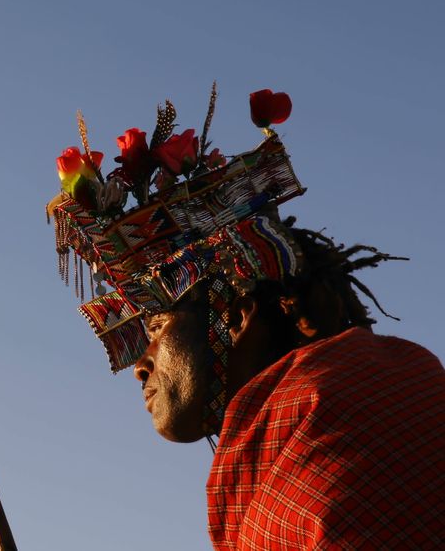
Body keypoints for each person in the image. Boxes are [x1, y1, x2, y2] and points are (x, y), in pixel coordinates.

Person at [47, 87, 444, 549]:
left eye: (156, 327)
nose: (141, 363)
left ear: (234, 318)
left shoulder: (339, 434)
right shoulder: (396, 378)